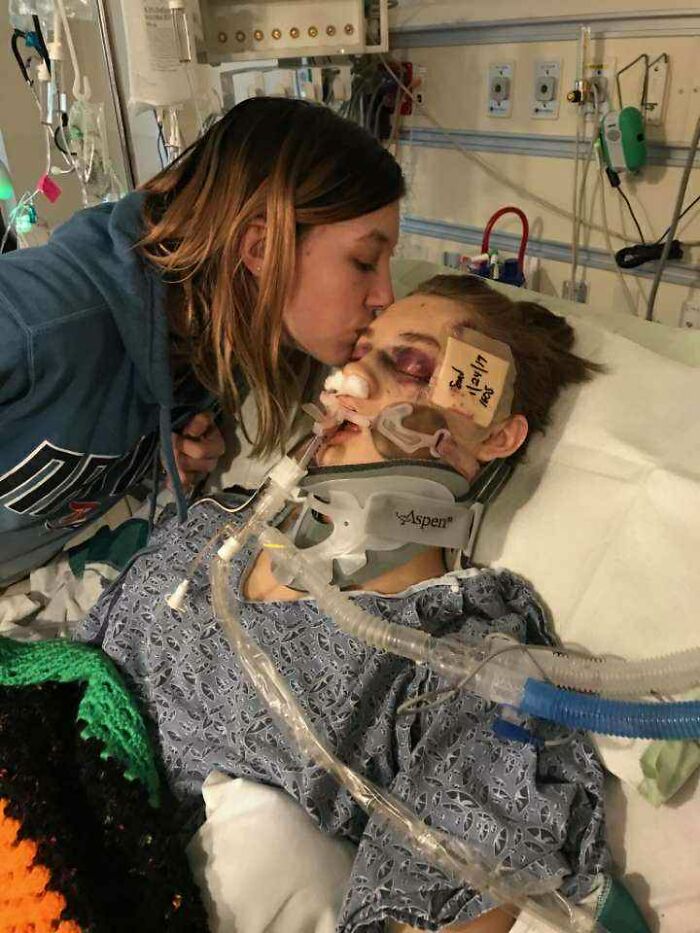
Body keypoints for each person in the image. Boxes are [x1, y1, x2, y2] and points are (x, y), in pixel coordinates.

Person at [78, 276, 613, 933]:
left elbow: (471, 863)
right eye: (360, 351)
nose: (349, 378)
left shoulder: (462, 657)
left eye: (408, 361)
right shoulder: (214, 526)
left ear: (497, 435)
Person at [0, 97, 403, 587]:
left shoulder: (208, 351)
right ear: (260, 248)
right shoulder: (37, 321)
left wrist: (159, 460)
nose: (385, 295)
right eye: (364, 262)